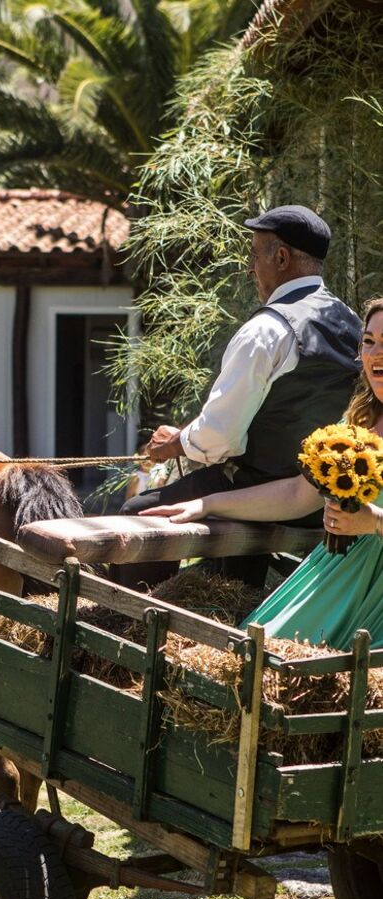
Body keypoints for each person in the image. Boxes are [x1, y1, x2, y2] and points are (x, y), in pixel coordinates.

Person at [119, 204, 362, 588]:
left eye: (254, 255)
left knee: (137, 515)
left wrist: (176, 443)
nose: (251, 269)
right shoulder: (352, 321)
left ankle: (136, 623)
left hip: (256, 492)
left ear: (280, 258)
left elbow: (221, 436)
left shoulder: (267, 329)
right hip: (319, 499)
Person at [142, 297, 383, 649]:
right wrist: (206, 505)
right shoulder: (356, 422)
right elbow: (297, 495)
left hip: (375, 593)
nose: (375, 353)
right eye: (369, 341)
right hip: (334, 572)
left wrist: (373, 521)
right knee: (251, 651)